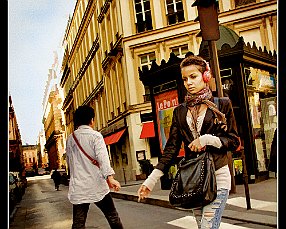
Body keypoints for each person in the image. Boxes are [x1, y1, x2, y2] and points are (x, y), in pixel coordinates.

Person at [137, 55, 240, 229]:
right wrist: (150, 181)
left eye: (193, 77)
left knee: (208, 226)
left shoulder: (221, 105)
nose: (188, 82)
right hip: (194, 179)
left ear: (205, 76)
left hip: (218, 176)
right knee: (204, 227)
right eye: (185, 79)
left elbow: (233, 140)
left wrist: (207, 140)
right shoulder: (180, 111)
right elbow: (171, 149)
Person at [66, 105, 124, 229]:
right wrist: (110, 178)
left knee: (78, 224)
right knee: (112, 217)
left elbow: (70, 162)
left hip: (79, 187)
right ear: (91, 120)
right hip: (97, 184)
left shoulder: (70, 139)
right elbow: (103, 158)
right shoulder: (95, 136)